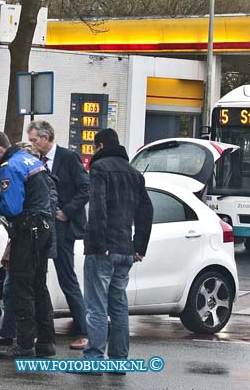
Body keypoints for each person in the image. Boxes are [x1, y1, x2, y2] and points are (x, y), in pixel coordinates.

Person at [0, 130, 56, 359]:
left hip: (27, 230)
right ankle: (45, 342)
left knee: (21, 287)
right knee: (39, 287)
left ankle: (23, 344)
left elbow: (12, 207)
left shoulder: (10, 166)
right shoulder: (32, 160)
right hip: (44, 228)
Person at [83, 128, 153, 364]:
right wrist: (139, 247)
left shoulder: (99, 169)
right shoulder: (135, 173)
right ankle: (119, 360)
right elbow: (146, 210)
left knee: (97, 308)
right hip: (125, 249)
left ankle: (93, 359)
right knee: (119, 306)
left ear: (99, 146)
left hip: (103, 250)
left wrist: (99, 244)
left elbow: (97, 208)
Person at [27, 120, 90, 350]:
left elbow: (86, 187)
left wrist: (67, 211)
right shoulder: (35, 161)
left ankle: (84, 331)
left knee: (67, 277)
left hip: (63, 226)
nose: (33, 145)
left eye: (35, 140)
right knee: (37, 276)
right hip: (42, 225)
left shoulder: (67, 158)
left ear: (46, 137)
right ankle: (39, 331)